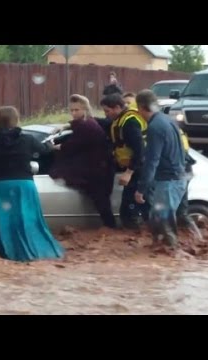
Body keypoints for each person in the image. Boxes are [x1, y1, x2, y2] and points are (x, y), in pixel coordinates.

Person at [0, 105, 64, 262]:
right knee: (26, 220)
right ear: (17, 120)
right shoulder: (27, 140)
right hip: (22, 187)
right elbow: (44, 151)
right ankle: (32, 251)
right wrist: (53, 146)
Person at [51, 94, 116, 228]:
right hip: (97, 168)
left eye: (77, 110)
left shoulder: (87, 126)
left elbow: (71, 146)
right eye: (72, 110)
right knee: (102, 203)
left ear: (85, 109)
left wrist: (55, 147)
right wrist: (65, 126)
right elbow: (76, 127)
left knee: (102, 204)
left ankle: (111, 229)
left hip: (97, 170)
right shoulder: (88, 122)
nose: (74, 113)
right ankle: (110, 227)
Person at [135, 89, 187, 248]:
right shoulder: (168, 120)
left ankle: (172, 258)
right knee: (158, 220)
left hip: (167, 182)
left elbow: (152, 161)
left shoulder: (155, 127)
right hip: (177, 178)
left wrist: (141, 189)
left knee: (164, 224)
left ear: (141, 108)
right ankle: (160, 257)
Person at [101, 93, 148, 229]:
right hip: (135, 169)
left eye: (107, 111)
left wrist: (129, 172)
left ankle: (137, 238)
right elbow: (105, 123)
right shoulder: (121, 119)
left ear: (117, 107)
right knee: (127, 211)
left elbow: (140, 151)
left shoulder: (129, 123)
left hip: (138, 170)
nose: (106, 114)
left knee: (129, 212)